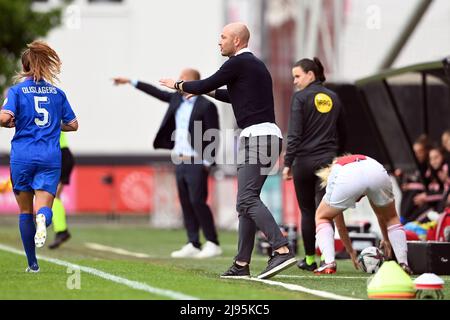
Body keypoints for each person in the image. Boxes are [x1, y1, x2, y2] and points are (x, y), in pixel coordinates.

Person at [160, 22, 296, 279]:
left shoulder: (237, 63)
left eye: (222, 37)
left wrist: (177, 85)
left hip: (256, 138)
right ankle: (242, 264)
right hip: (269, 137)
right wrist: (204, 89)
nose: (218, 41)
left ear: (236, 41)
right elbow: (230, 95)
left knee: (246, 200)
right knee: (246, 202)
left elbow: (202, 84)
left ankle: (281, 248)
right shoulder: (254, 65)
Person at [113, 69, 222, 258]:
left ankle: (212, 242)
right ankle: (193, 242)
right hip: (179, 160)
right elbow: (156, 92)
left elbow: (214, 134)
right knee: (186, 202)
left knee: (198, 201)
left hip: (197, 161)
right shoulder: (176, 100)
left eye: (182, 79)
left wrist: (207, 162)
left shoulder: (206, 105)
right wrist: (131, 80)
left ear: (191, 82)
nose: (178, 81)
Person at [0, 40, 78, 272]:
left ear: (24, 68)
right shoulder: (57, 93)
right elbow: (73, 125)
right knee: (44, 207)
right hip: (50, 157)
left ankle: (33, 264)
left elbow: (4, 118)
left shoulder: (16, 91)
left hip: (23, 156)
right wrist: (54, 125)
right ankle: (43, 219)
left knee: (25, 211)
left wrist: (9, 122)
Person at [282, 57, 346, 271]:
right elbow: (344, 133)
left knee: (308, 212)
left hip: (303, 163)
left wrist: (287, 162)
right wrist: (337, 156)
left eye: (297, 76)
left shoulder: (300, 98)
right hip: (327, 164)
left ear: (311, 75)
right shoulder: (334, 97)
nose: (294, 81)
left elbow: (295, 134)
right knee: (325, 211)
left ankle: (310, 260)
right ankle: (328, 259)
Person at [313, 154, 412, 275]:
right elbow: (381, 214)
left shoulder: (336, 173)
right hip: (376, 170)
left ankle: (329, 262)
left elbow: (340, 226)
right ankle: (403, 263)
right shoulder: (361, 162)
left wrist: (350, 251)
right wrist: (385, 238)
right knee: (392, 217)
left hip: (348, 176)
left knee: (321, 216)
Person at [48, 132, 74, 249]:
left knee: (52, 196)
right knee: (54, 196)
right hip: (63, 155)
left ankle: (61, 230)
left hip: (60, 155)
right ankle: (61, 230)